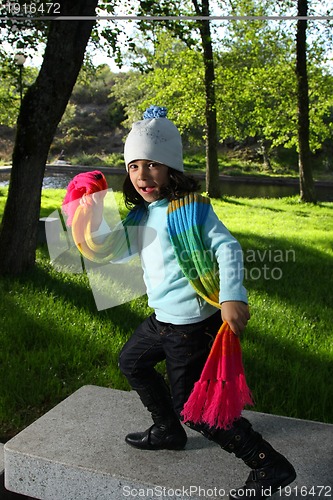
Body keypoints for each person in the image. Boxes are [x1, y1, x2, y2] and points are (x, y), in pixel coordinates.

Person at [72, 105, 296, 499]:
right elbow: (113, 250)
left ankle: (267, 464)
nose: (142, 175)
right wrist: (85, 216)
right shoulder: (142, 216)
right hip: (163, 320)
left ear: (171, 168)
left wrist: (231, 296)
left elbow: (227, 249)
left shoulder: (192, 209)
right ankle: (166, 429)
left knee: (197, 409)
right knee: (132, 362)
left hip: (192, 325)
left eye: (153, 164)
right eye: (134, 166)